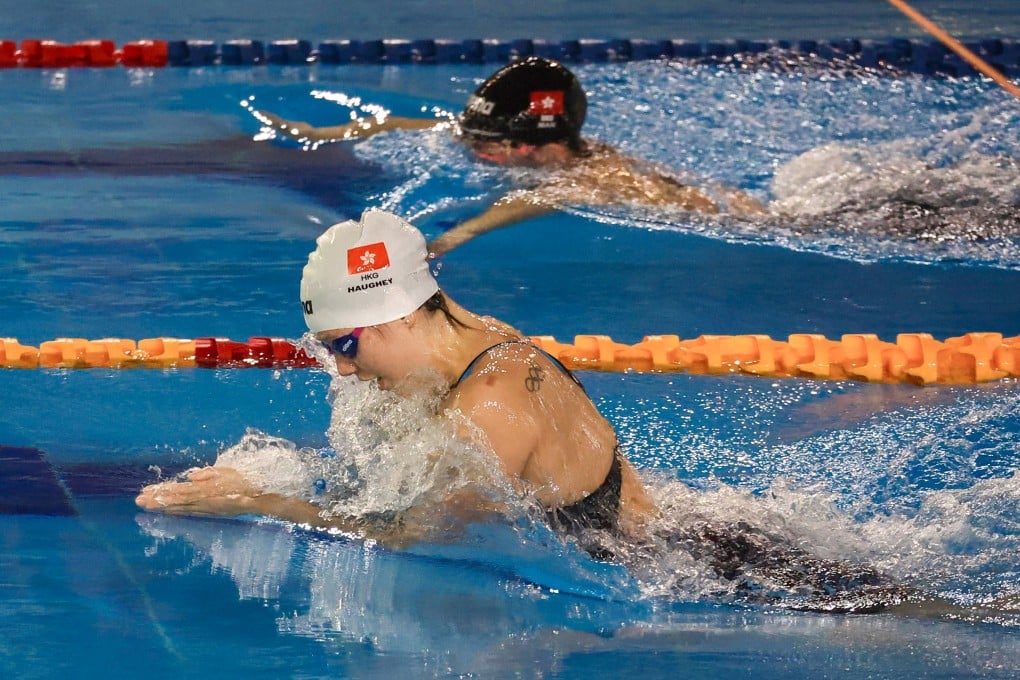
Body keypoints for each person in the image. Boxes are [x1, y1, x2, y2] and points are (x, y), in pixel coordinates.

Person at [136, 208, 656, 546]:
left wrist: (256, 501)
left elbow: (414, 536)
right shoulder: (479, 340)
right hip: (655, 531)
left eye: (345, 345)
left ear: (401, 314)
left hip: (669, 571)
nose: (341, 367)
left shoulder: (488, 406)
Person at [255, 56, 765, 257]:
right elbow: (416, 125)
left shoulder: (597, 177)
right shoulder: (502, 141)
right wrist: (321, 132)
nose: (475, 149)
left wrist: (460, 233)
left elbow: (548, 197)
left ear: (536, 143)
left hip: (756, 222)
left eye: (489, 144)